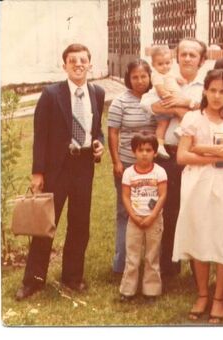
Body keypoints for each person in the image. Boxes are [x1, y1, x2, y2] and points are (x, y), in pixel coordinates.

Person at [16, 43, 105, 300]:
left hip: (83, 166)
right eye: (73, 60)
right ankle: (33, 280)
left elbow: (95, 128)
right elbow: (40, 136)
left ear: (90, 64)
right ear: (64, 65)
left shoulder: (97, 92)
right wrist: (37, 173)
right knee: (46, 225)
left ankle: (72, 277)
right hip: (57, 168)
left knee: (80, 224)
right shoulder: (51, 94)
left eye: (83, 60)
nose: (78, 64)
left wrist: (98, 142)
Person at [172, 69, 223, 323]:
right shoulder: (193, 118)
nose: (216, 96)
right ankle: (203, 293)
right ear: (204, 91)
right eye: (212, 90)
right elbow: (182, 156)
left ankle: (219, 297)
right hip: (197, 183)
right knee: (199, 235)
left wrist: (202, 148)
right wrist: (217, 157)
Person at [140, 37, 207, 279]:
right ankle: (168, 267)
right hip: (167, 152)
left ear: (201, 60)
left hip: (195, 155)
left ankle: (196, 268)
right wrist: (183, 108)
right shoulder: (166, 78)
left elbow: (210, 112)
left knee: (196, 210)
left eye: (193, 55)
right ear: (177, 57)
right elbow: (148, 103)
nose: (187, 58)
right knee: (168, 210)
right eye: (184, 54)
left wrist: (185, 103)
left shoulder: (206, 84)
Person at [108, 59, 157, 276]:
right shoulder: (120, 101)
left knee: (154, 212)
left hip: (154, 166)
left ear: (149, 77)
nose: (139, 81)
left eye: (143, 76)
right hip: (128, 165)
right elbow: (113, 132)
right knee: (125, 211)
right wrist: (117, 161)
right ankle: (123, 263)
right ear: (129, 78)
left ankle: (153, 264)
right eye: (135, 77)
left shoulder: (156, 97)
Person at [119, 133, 167, 302]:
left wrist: (152, 216)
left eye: (149, 150)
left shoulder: (159, 172)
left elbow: (162, 195)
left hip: (154, 220)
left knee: (151, 256)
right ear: (134, 152)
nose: (144, 153)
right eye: (140, 150)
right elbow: (125, 196)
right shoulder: (129, 173)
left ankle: (151, 291)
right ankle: (128, 290)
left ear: (155, 152)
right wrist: (134, 216)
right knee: (132, 256)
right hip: (135, 220)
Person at [147, 45, 185, 159]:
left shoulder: (170, 72)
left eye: (167, 63)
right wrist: (167, 96)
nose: (165, 67)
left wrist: (180, 80)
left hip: (174, 99)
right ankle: (159, 145)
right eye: (160, 64)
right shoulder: (156, 75)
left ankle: (180, 129)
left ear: (172, 62)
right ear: (153, 64)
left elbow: (175, 79)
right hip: (166, 100)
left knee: (181, 114)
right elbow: (160, 89)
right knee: (162, 124)